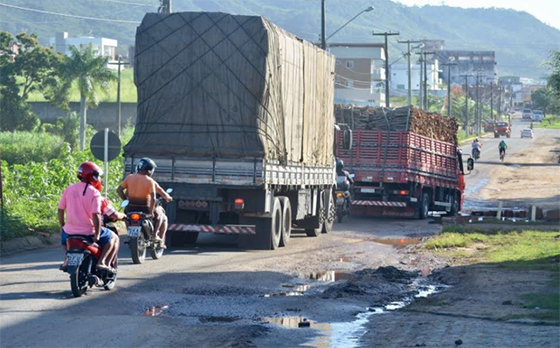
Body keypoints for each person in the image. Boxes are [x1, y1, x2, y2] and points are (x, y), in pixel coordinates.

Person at [58, 162, 119, 271]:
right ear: (93, 175)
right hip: (88, 231)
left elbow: (60, 209)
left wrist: (63, 225)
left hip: (69, 232)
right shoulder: (94, 193)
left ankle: (67, 260)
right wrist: (97, 234)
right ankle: (102, 262)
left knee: (64, 242)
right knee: (113, 237)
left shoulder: (69, 188)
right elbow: (96, 214)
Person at [117, 158, 172, 248]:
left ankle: (129, 235)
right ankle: (154, 235)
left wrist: (126, 200)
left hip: (131, 207)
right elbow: (154, 198)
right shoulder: (150, 181)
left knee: (127, 217)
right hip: (145, 209)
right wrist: (151, 212)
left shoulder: (129, 177)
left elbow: (119, 190)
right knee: (160, 216)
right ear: (149, 170)